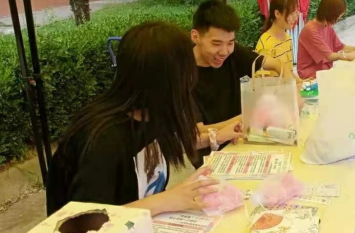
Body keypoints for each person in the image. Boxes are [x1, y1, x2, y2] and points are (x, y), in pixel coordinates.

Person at [46, 22, 243, 216]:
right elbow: (87, 220)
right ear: (166, 79)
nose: (192, 79)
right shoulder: (105, 139)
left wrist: (216, 136)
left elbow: (169, 142)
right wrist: (165, 200)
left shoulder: (153, 113)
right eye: (188, 70)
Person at [191, 0, 296, 166]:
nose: (224, 51)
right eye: (216, 44)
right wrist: (248, 116)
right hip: (214, 157)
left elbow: (276, 64)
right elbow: (198, 131)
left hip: (245, 141)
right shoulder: (183, 73)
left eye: (230, 43)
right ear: (195, 37)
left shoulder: (233, 53)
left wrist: (292, 89)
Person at [297, 0, 355, 79]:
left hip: (324, 71)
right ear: (332, 13)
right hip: (311, 76)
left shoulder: (327, 26)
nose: (340, 18)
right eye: (339, 15)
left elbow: (340, 47)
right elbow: (330, 56)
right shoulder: (310, 30)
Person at [255, 0, 299, 78]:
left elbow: (288, 72)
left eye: (296, 13)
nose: (295, 18)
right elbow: (263, 80)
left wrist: (301, 82)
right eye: (291, 14)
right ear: (277, 14)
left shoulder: (288, 38)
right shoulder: (265, 43)